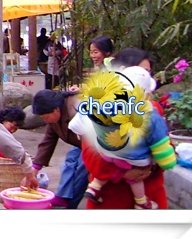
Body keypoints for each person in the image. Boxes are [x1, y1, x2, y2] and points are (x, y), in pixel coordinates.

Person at [70, 66, 176, 209]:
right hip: (111, 200)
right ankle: (139, 201)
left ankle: (96, 188)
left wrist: (151, 167)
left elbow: (166, 146)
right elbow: (90, 155)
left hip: (150, 191)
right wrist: (123, 173)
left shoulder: (153, 111)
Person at [30, 89, 87, 209]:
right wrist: (34, 169)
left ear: (56, 109)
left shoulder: (75, 111)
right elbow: (48, 141)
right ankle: (62, 196)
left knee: (83, 166)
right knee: (70, 161)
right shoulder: (55, 116)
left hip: (95, 143)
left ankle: (70, 203)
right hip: (80, 144)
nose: (46, 121)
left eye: (46, 117)